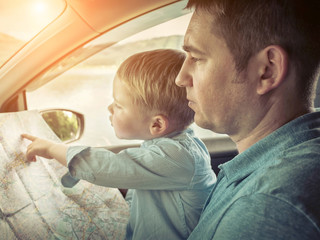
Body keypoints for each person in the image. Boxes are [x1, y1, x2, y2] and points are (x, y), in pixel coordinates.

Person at [22, 49, 217, 240]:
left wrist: (51, 148)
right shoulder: (166, 148)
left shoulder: (177, 155)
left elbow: (111, 166)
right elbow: (139, 189)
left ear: (156, 124)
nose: (109, 108)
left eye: (119, 105)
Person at [175, 0, 320, 239]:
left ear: (267, 70)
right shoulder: (279, 164)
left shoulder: (267, 208)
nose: (181, 78)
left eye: (197, 58)